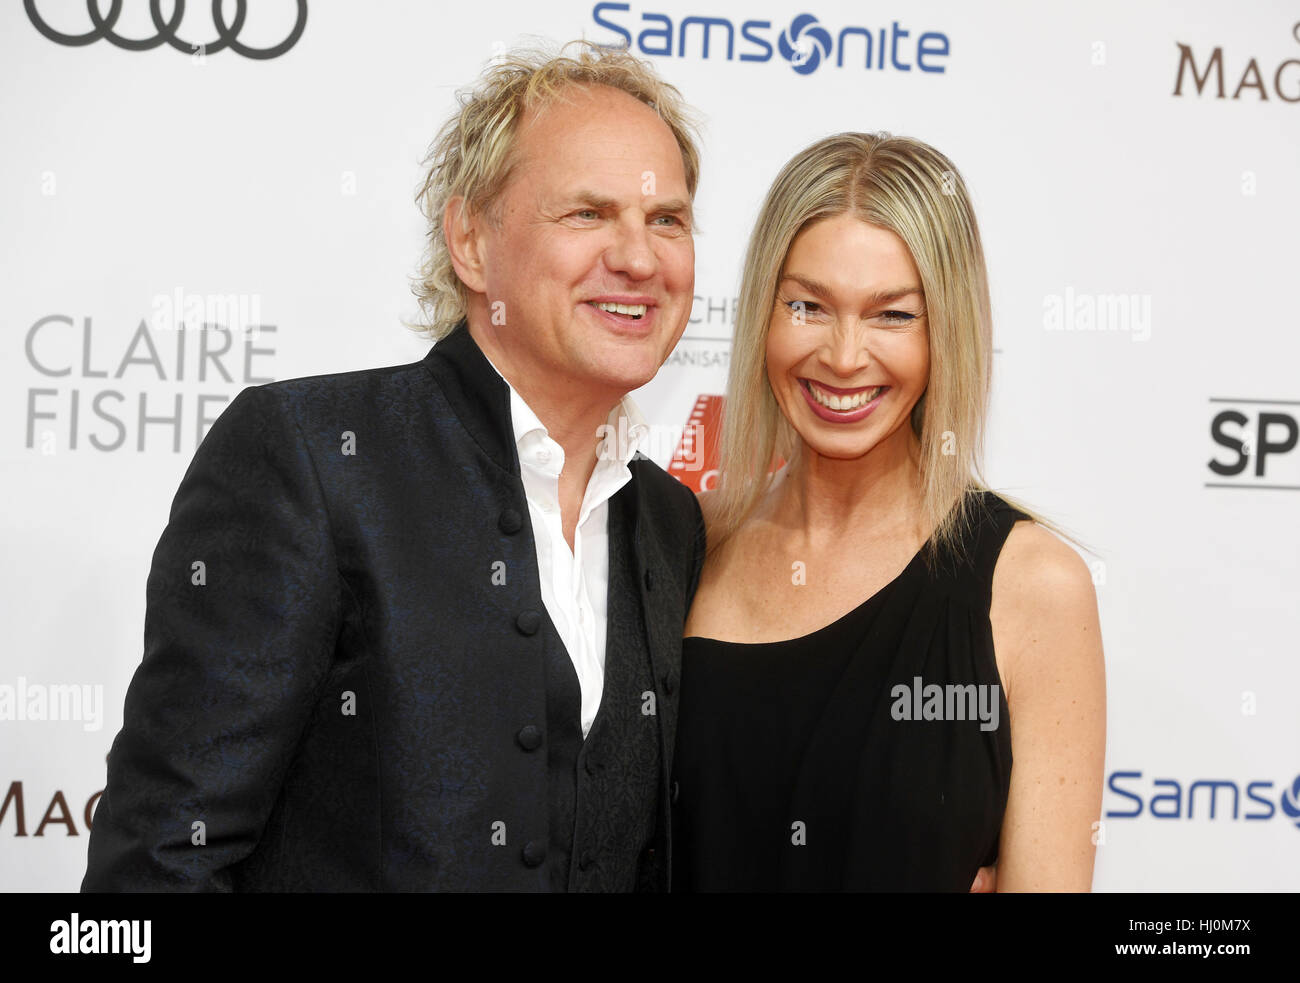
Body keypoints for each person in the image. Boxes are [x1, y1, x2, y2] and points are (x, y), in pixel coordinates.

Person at [82, 42, 707, 892]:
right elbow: (162, 861)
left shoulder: (671, 522)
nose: (639, 258)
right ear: (472, 242)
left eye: (666, 219)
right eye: (588, 214)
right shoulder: (308, 455)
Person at [672, 133, 1106, 891]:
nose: (844, 356)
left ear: (948, 332)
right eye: (807, 305)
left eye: (892, 315)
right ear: (762, 318)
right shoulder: (684, 546)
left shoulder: (1030, 585)